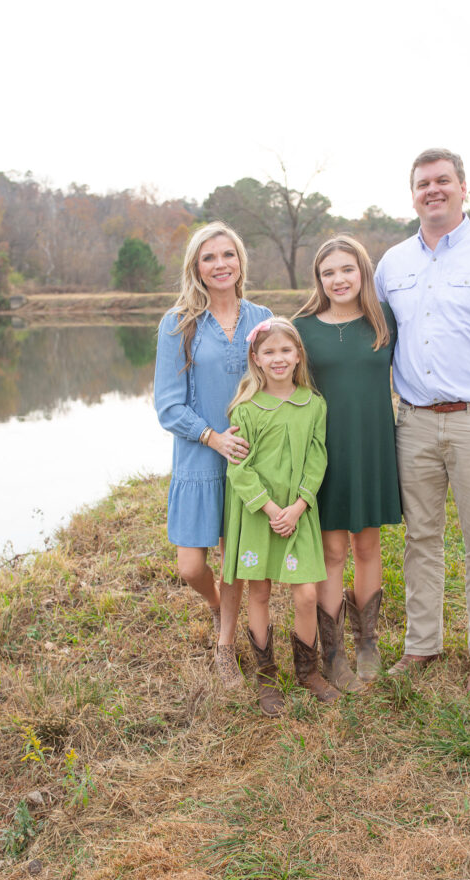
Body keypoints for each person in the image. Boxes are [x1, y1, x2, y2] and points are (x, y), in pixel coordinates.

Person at [374, 147, 470, 692]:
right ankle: (422, 645)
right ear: (412, 193)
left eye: (443, 181)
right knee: (421, 538)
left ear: (464, 187)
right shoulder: (392, 264)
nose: (432, 190)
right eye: (423, 183)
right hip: (413, 422)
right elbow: (375, 338)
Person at [153, 222, 272, 687]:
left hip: (247, 455)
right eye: (209, 258)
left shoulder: (260, 317)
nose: (220, 264)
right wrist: (211, 436)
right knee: (191, 566)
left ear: (240, 261)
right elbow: (168, 404)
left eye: (228, 255)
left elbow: (277, 376)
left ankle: (225, 645)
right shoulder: (178, 322)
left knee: (235, 555)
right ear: (196, 268)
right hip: (199, 455)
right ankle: (219, 605)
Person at [294, 237, 402, 691]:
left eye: (347, 269)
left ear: (363, 272)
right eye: (328, 272)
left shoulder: (385, 320)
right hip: (328, 450)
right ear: (318, 280)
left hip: (374, 444)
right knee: (333, 551)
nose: (339, 279)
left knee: (368, 546)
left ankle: (367, 643)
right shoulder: (303, 328)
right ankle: (333, 653)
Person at [222, 317, 341, 715]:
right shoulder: (247, 408)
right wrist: (272, 509)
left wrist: (299, 506)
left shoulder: (314, 404)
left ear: (298, 355)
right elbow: (238, 468)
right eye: (269, 352)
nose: (278, 358)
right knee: (258, 592)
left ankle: (308, 671)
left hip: (298, 513)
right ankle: (267, 676)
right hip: (261, 514)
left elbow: (317, 456)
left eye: (285, 350)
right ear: (255, 358)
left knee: (306, 593)